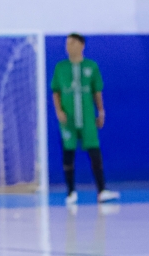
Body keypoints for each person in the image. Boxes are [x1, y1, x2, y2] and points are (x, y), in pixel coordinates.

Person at [51, 33, 119, 206]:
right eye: (67, 43)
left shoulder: (91, 66)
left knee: (94, 152)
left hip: (87, 117)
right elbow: (55, 91)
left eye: (72, 43)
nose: (68, 46)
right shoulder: (60, 67)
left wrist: (101, 111)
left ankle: (102, 190)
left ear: (81, 45)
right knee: (68, 152)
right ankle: (70, 192)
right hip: (68, 119)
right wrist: (59, 111)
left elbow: (97, 91)